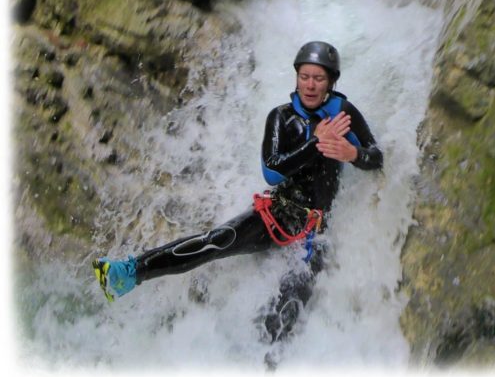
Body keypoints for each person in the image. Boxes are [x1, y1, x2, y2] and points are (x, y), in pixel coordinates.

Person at [93, 41, 383, 342]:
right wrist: (314, 144)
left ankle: (266, 365)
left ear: (331, 82)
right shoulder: (281, 117)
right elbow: (271, 171)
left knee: (289, 308)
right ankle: (128, 273)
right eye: (304, 77)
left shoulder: (343, 115)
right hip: (277, 215)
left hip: (315, 231)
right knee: (216, 242)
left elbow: (377, 156)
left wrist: (353, 154)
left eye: (318, 79)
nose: (310, 85)